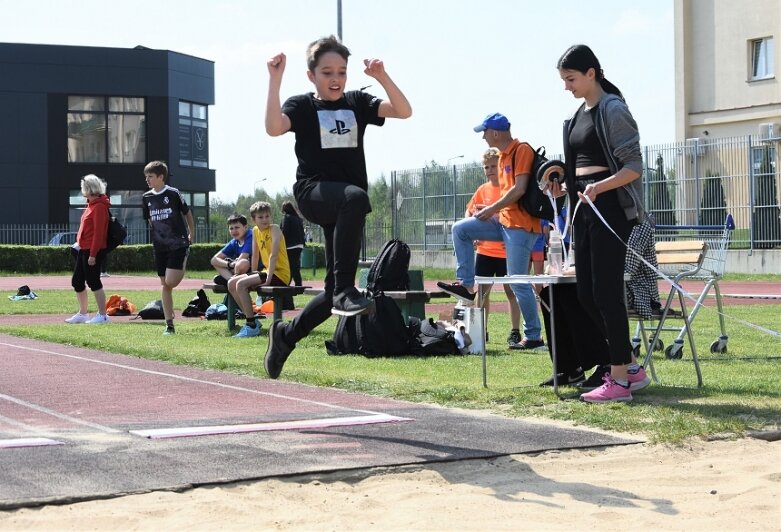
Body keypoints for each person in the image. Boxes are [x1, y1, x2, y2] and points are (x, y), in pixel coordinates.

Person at [263, 35, 412, 378]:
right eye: (327, 71)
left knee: (330, 294)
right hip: (313, 193)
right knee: (357, 198)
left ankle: (286, 335)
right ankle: (347, 290)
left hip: (347, 207)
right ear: (311, 75)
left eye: (341, 72)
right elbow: (273, 128)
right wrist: (274, 80)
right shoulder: (302, 106)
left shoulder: (357, 101)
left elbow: (404, 111)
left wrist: (382, 77)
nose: (335, 78)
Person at [551, 44, 650, 402]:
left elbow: (633, 168)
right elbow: (577, 163)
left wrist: (599, 187)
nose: (567, 86)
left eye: (571, 78)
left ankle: (620, 380)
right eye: (564, 80)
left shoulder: (613, 109)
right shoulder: (579, 114)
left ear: (592, 73)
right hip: (584, 208)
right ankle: (631, 368)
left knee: (607, 293)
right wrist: (563, 182)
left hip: (610, 209)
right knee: (586, 293)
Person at [437, 112, 545, 351]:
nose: (483, 137)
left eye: (484, 132)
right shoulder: (504, 155)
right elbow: (509, 196)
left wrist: (493, 209)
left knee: (517, 281)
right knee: (460, 229)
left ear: (495, 133)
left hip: (520, 227)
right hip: (504, 222)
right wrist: (493, 211)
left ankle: (534, 337)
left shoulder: (522, 150)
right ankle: (466, 286)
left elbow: (519, 189)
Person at [466, 147, 522, 348]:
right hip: (485, 252)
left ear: (501, 166)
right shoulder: (482, 190)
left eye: (493, 166)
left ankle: (515, 331)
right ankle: (482, 330)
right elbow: (469, 211)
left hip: (507, 252)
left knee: (511, 291)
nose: (489, 170)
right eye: (486, 167)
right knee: (482, 293)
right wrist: (470, 233)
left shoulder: (510, 189)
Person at [142, 160, 195, 336]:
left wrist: (191, 234)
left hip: (178, 243)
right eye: (146, 177)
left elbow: (187, 213)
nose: (147, 180)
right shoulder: (147, 197)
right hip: (160, 246)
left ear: (161, 177)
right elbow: (150, 219)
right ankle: (169, 325)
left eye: (150, 176)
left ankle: (186, 253)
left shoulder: (173, 193)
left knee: (171, 281)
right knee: (165, 285)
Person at [228, 201, 291, 338]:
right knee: (231, 283)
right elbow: (255, 255)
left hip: (279, 274)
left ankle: (251, 325)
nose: (265, 220)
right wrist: (252, 273)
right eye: (261, 217)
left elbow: (273, 255)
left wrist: (267, 279)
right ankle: (253, 319)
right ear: (253, 220)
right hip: (267, 272)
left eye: (267, 216)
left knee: (241, 284)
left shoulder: (275, 229)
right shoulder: (255, 231)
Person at [65, 174, 112, 324]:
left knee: (93, 281)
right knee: (77, 281)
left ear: (88, 188)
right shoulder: (91, 205)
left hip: (93, 250)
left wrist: (93, 254)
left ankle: (103, 315)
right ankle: (83, 313)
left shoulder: (99, 207)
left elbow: (99, 233)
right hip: (83, 249)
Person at [210, 213, 253, 286]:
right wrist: (229, 264)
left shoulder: (250, 235)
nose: (234, 231)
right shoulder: (234, 242)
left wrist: (233, 266)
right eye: (231, 228)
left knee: (243, 263)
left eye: (237, 227)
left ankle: (230, 280)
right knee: (217, 263)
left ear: (245, 227)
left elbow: (243, 257)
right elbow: (214, 260)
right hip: (238, 270)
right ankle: (231, 280)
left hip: (255, 270)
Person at [280, 200, 306, 310]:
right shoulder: (298, 218)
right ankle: (298, 284)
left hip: (290, 245)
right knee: (295, 265)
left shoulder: (287, 218)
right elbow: (302, 232)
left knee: (290, 266)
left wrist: (280, 241)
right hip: (299, 245)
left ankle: (288, 284)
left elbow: (285, 231)